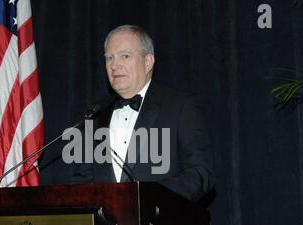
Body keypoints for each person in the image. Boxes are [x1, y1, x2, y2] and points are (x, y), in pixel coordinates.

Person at [73, 25, 214, 202]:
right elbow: (83, 181)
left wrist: (148, 196)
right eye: (109, 58)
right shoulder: (96, 112)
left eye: (125, 56)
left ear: (148, 62)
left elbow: (200, 174)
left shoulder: (181, 106)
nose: (114, 65)